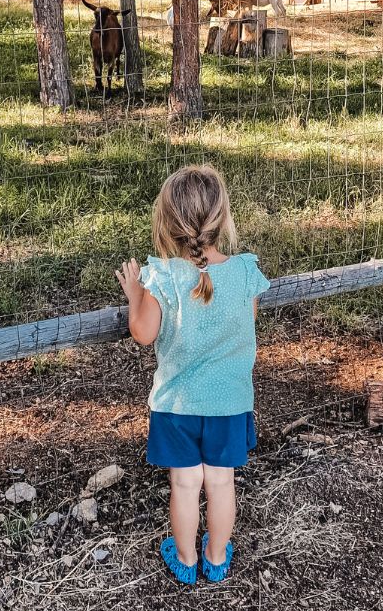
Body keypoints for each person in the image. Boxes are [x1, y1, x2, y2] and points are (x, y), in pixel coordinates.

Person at [115, 165, 271, 585]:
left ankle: (185, 560)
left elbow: (143, 334)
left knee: (185, 485)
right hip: (230, 403)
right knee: (221, 483)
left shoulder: (162, 276)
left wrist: (135, 297)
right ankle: (217, 557)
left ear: (167, 222)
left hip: (178, 405)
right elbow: (247, 322)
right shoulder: (242, 272)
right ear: (222, 218)